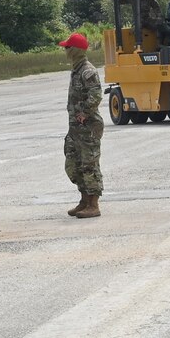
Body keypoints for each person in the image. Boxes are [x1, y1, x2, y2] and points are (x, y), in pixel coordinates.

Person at [59, 32, 103, 217]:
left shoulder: (87, 70)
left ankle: (93, 205)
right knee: (73, 162)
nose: (65, 51)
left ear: (75, 50)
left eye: (68, 47)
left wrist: (84, 113)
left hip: (88, 127)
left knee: (89, 164)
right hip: (76, 128)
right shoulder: (77, 70)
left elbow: (96, 95)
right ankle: (84, 200)